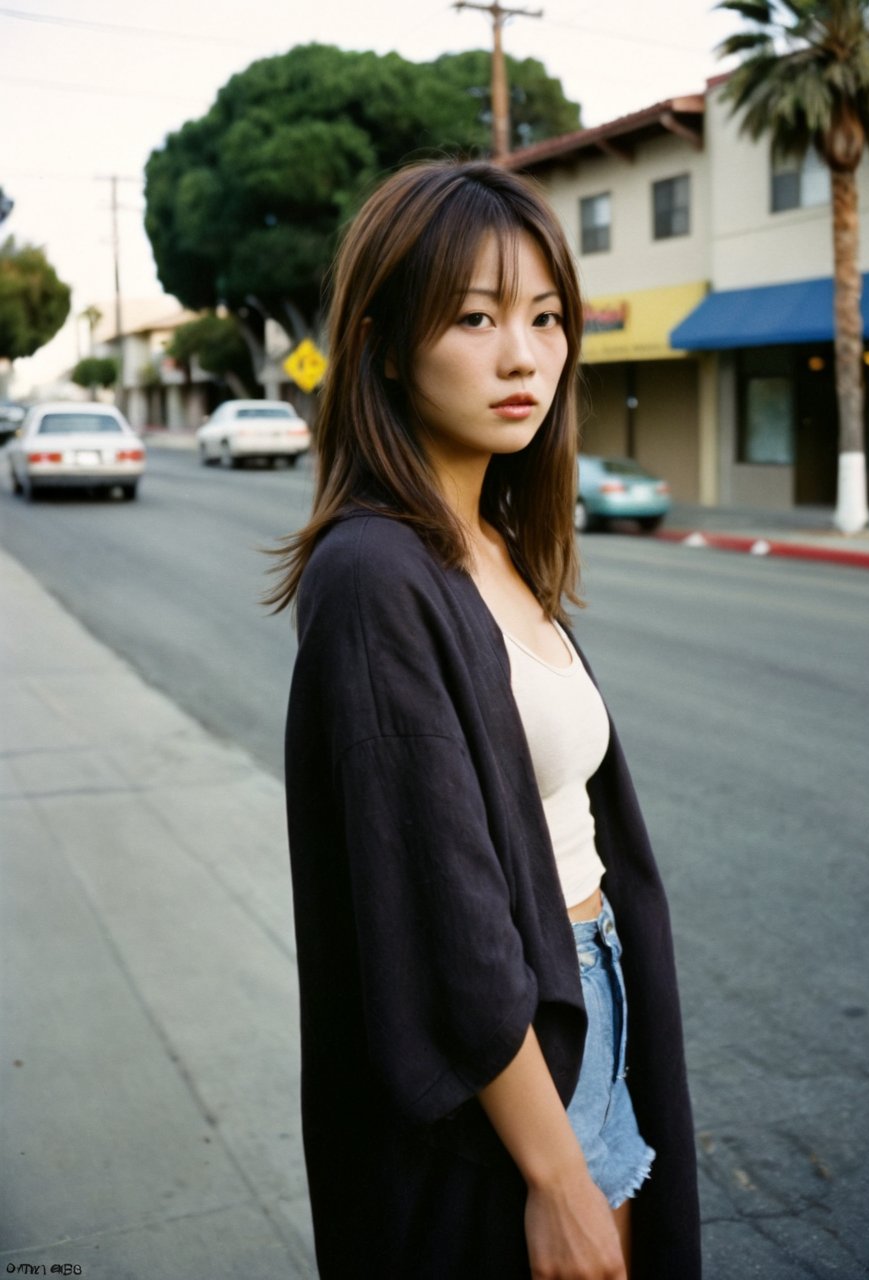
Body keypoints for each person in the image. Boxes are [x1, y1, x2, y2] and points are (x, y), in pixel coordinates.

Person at [271, 159, 701, 1279]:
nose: (525, 355)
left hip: (587, 995)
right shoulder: (375, 572)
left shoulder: (498, 542)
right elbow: (443, 914)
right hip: (511, 1057)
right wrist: (554, 1171)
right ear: (382, 340)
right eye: (475, 316)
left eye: (546, 317)